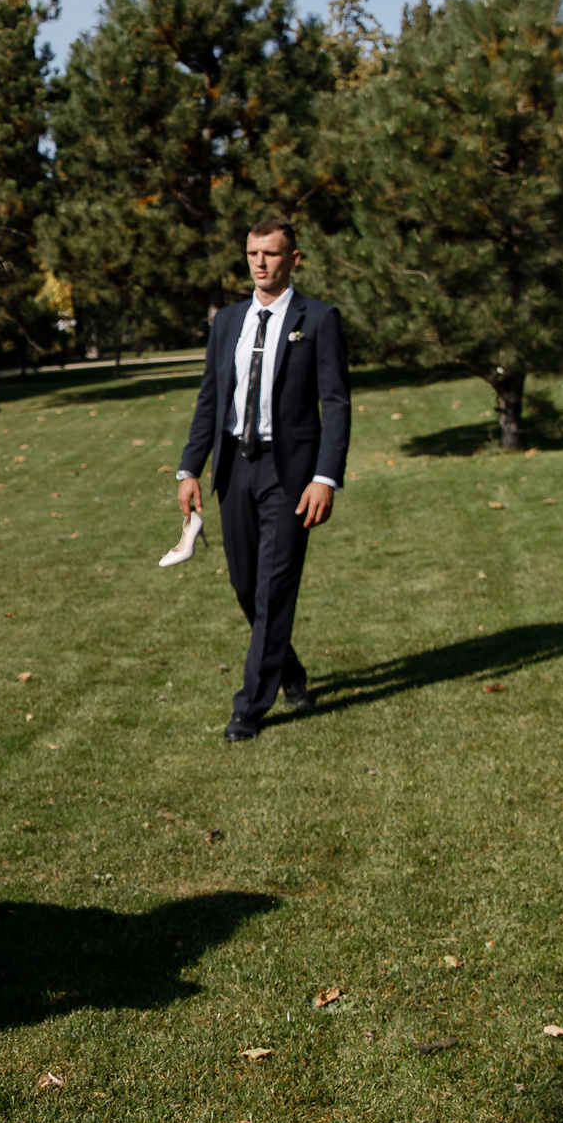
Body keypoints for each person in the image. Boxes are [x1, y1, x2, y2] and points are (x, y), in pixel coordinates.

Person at [175, 220, 351, 741]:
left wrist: (325, 476)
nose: (259, 263)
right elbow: (210, 399)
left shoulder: (318, 320)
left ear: (293, 259)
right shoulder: (227, 321)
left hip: (290, 473)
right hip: (236, 467)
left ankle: (249, 705)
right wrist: (190, 468)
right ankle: (288, 669)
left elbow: (336, 404)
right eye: (252, 253)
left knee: (274, 586)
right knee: (246, 584)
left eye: (271, 254)